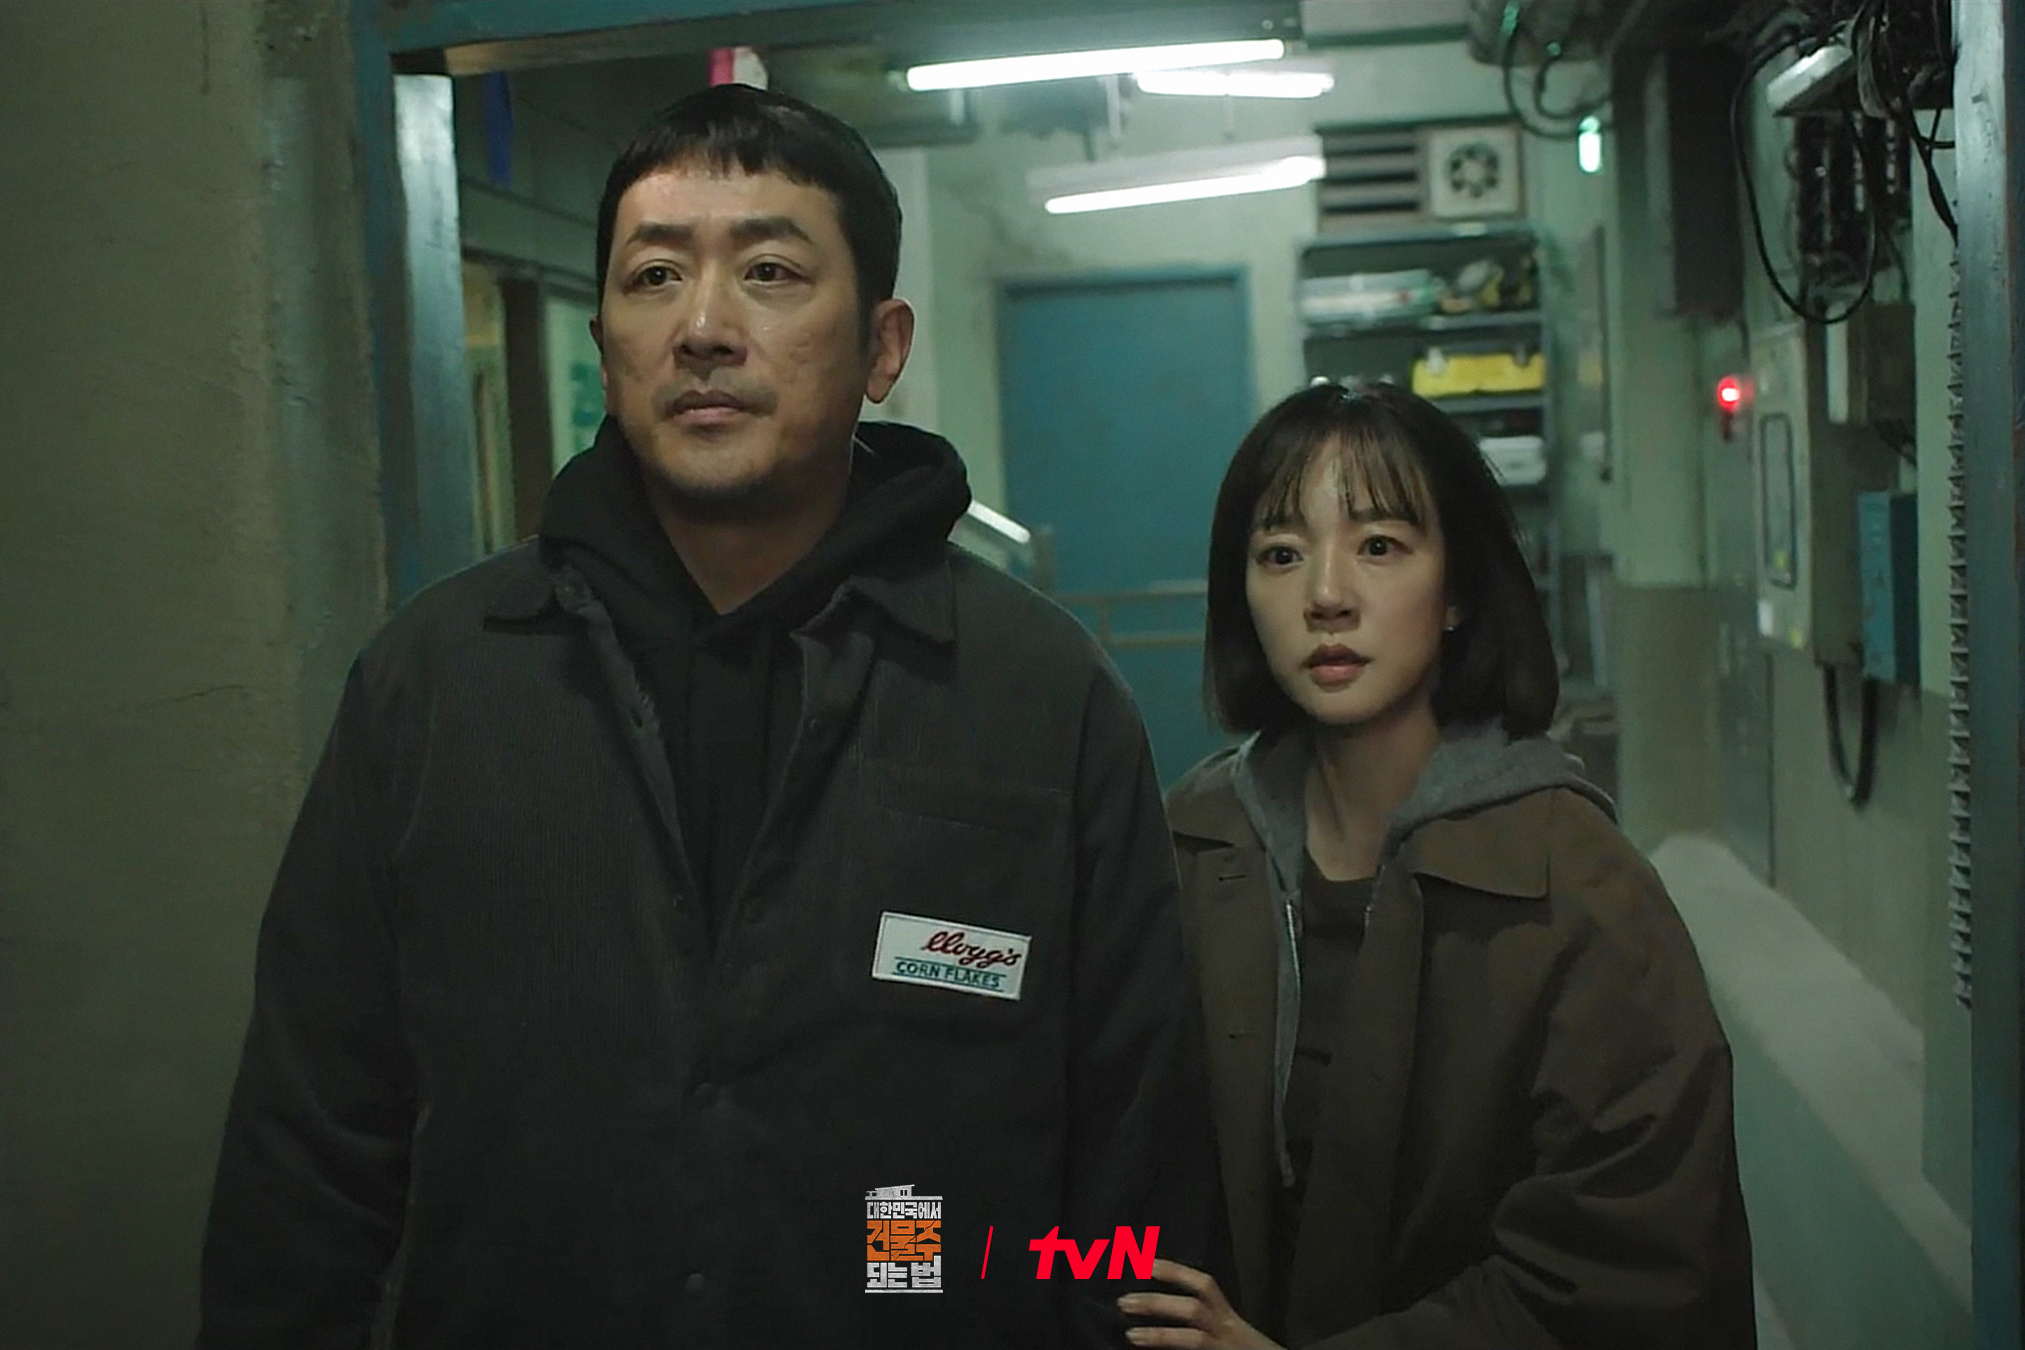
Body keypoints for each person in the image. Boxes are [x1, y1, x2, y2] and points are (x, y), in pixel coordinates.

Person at [198, 83, 1210, 1349]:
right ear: (609, 334)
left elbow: (1135, 1172)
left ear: (883, 345)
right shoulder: (440, 683)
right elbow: (309, 1155)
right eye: (655, 276)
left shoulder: (1036, 696)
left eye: (771, 272)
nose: (704, 329)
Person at [1117, 382, 1756, 1349]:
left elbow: (1626, 1271)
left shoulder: (1579, 889)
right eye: (1281, 554)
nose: (1326, 595)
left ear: (1457, 590)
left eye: (1379, 545)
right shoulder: (1193, 845)